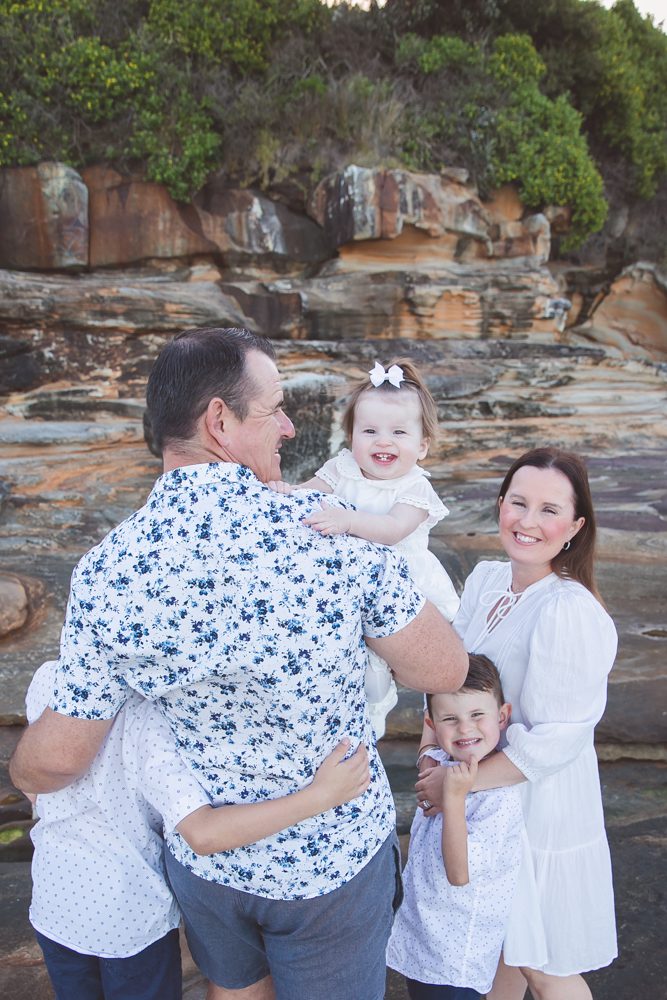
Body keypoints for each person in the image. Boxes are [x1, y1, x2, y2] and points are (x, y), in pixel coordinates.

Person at [10, 326, 468, 1000]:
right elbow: (444, 672)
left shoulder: (108, 568)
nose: (286, 426)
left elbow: (57, 760)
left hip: (209, 866)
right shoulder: (327, 530)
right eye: (274, 408)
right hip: (330, 865)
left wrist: (20, 768)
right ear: (219, 421)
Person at [27, 660, 370, 1000]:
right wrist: (321, 795)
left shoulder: (49, 678)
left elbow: (34, 784)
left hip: (54, 901)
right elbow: (203, 833)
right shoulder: (150, 717)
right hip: (129, 913)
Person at [415, 447, 618, 1000]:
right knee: (497, 948)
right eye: (518, 502)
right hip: (482, 801)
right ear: (500, 504)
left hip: (537, 805)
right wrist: (431, 752)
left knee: (541, 961)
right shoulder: (485, 580)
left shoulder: (568, 610)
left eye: (549, 510)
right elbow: (451, 676)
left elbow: (557, 737)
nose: (528, 522)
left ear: (575, 526)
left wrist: (457, 783)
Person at [272, 358, 460, 739]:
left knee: (379, 669)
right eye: (369, 430)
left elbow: (392, 530)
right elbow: (306, 494)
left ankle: (375, 713)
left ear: (422, 446)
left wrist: (347, 521)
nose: (383, 441)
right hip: (343, 589)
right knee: (346, 655)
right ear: (351, 437)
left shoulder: (415, 488)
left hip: (404, 584)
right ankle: (352, 713)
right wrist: (283, 493)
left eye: (399, 432)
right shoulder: (342, 469)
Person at [387, 653, 524, 1000]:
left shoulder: (498, 797)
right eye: (450, 718)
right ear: (431, 724)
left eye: (478, 715)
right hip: (424, 939)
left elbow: (459, 873)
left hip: (456, 955)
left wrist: (454, 800)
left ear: (502, 716)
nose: (465, 728)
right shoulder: (445, 767)